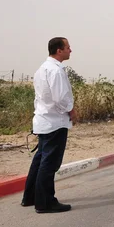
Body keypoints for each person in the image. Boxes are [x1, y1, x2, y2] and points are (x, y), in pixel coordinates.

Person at [21, 37, 77, 213]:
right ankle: (45, 202)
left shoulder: (42, 69)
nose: (71, 50)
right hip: (54, 122)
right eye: (68, 47)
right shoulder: (55, 71)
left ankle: (30, 197)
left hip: (43, 120)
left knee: (39, 160)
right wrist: (71, 110)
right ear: (59, 50)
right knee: (49, 163)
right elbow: (60, 97)